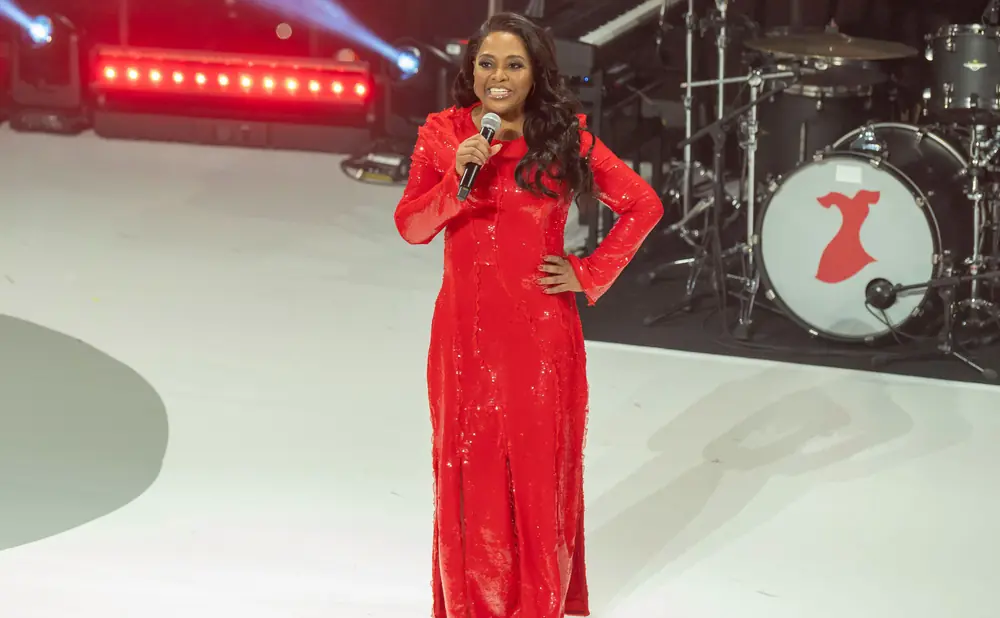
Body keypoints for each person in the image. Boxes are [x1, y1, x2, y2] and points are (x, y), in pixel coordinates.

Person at [393, 12, 663, 618]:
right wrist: (453, 187)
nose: (498, 76)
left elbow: (642, 204)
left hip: (539, 335)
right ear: (471, 70)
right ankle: (471, 603)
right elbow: (411, 226)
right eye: (487, 63)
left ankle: (534, 604)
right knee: (466, 464)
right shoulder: (444, 134)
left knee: (537, 472)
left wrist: (590, 272)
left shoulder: (563, 138)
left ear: (536, 73)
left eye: (514, 64)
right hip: (462, 333)